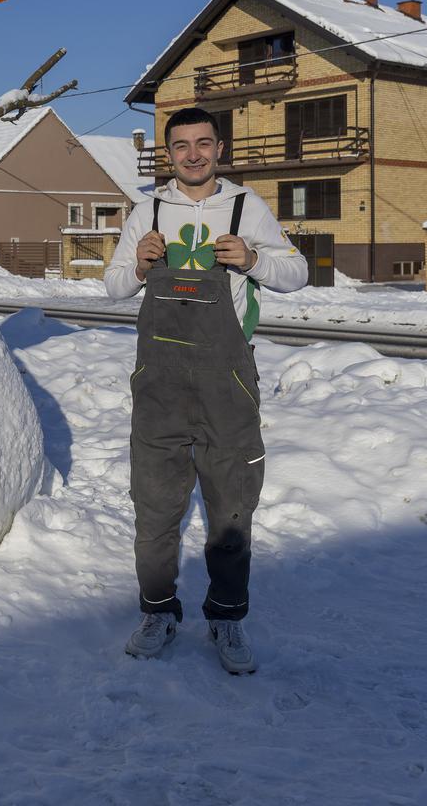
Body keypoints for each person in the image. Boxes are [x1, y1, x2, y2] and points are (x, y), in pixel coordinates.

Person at [104, 106, 308, 670]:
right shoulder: (146, 209)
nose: (192, 154)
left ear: (219, 148)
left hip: (228, 383)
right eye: (181, 146)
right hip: (159, 386)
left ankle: (227, 619)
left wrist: (255, 258)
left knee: (231, 506)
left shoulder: (247, 207)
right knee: (155, 505)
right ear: (167, 154)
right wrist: (139, 268)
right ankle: (158, 611)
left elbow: (298, 273)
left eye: (202, 143)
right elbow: (113, 287)